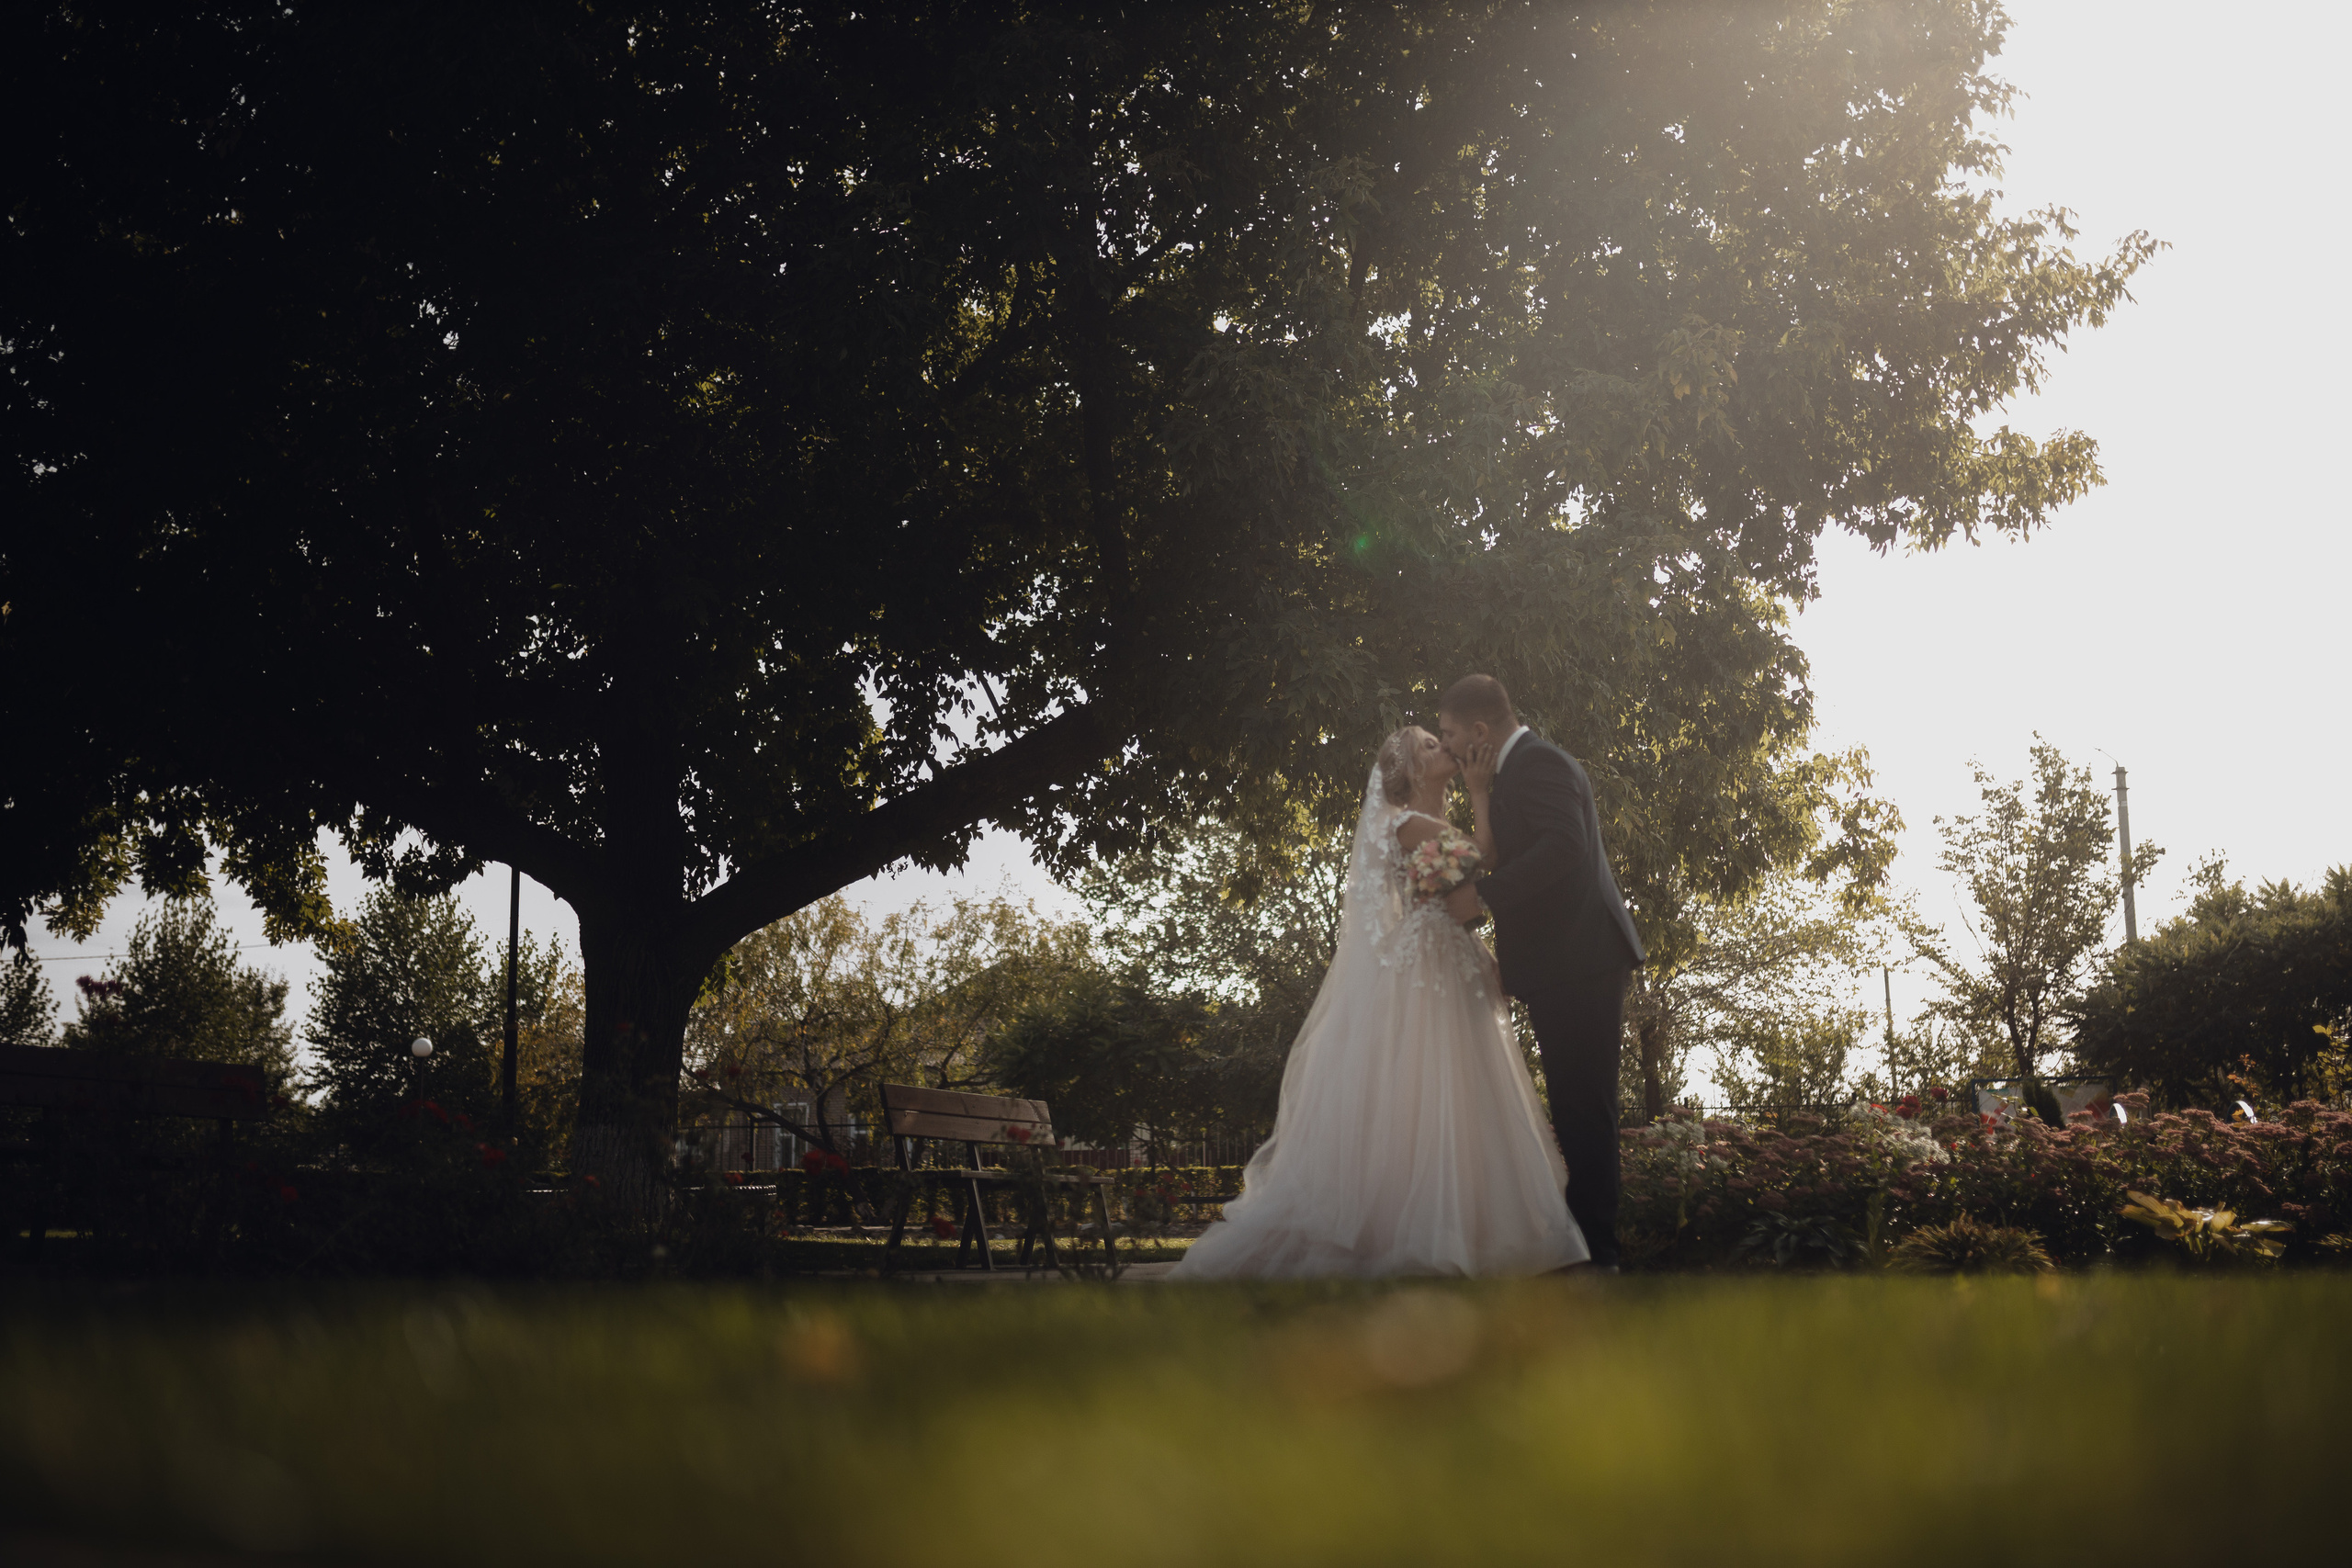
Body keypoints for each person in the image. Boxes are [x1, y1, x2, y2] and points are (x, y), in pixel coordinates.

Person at [1168, 725, 1587, 1279]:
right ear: (1412, 769)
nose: (1446, 748)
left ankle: (1469, 1231)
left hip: (1446, 957)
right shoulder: (1408, 824)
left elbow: (1451, 891)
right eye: (1432, 746)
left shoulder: (1418, 825)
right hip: (1428, 969)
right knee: (1430, 1088)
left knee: (1458, 1091)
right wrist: (1482, 790)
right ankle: (1424, 1234)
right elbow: (1482, 857)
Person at [1438, 674, 1645, 1271]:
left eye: (1450, 734)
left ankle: (1599, 1252)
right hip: (1562, 961)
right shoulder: (1512, 771)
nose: (1447, 747)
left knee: (1586, 1106)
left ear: (1480, 729)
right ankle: (1586, 1244)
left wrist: (1483, 896)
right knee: (1575, 1104)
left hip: (1584, 958)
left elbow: (1565, 846)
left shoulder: (1540, 764)